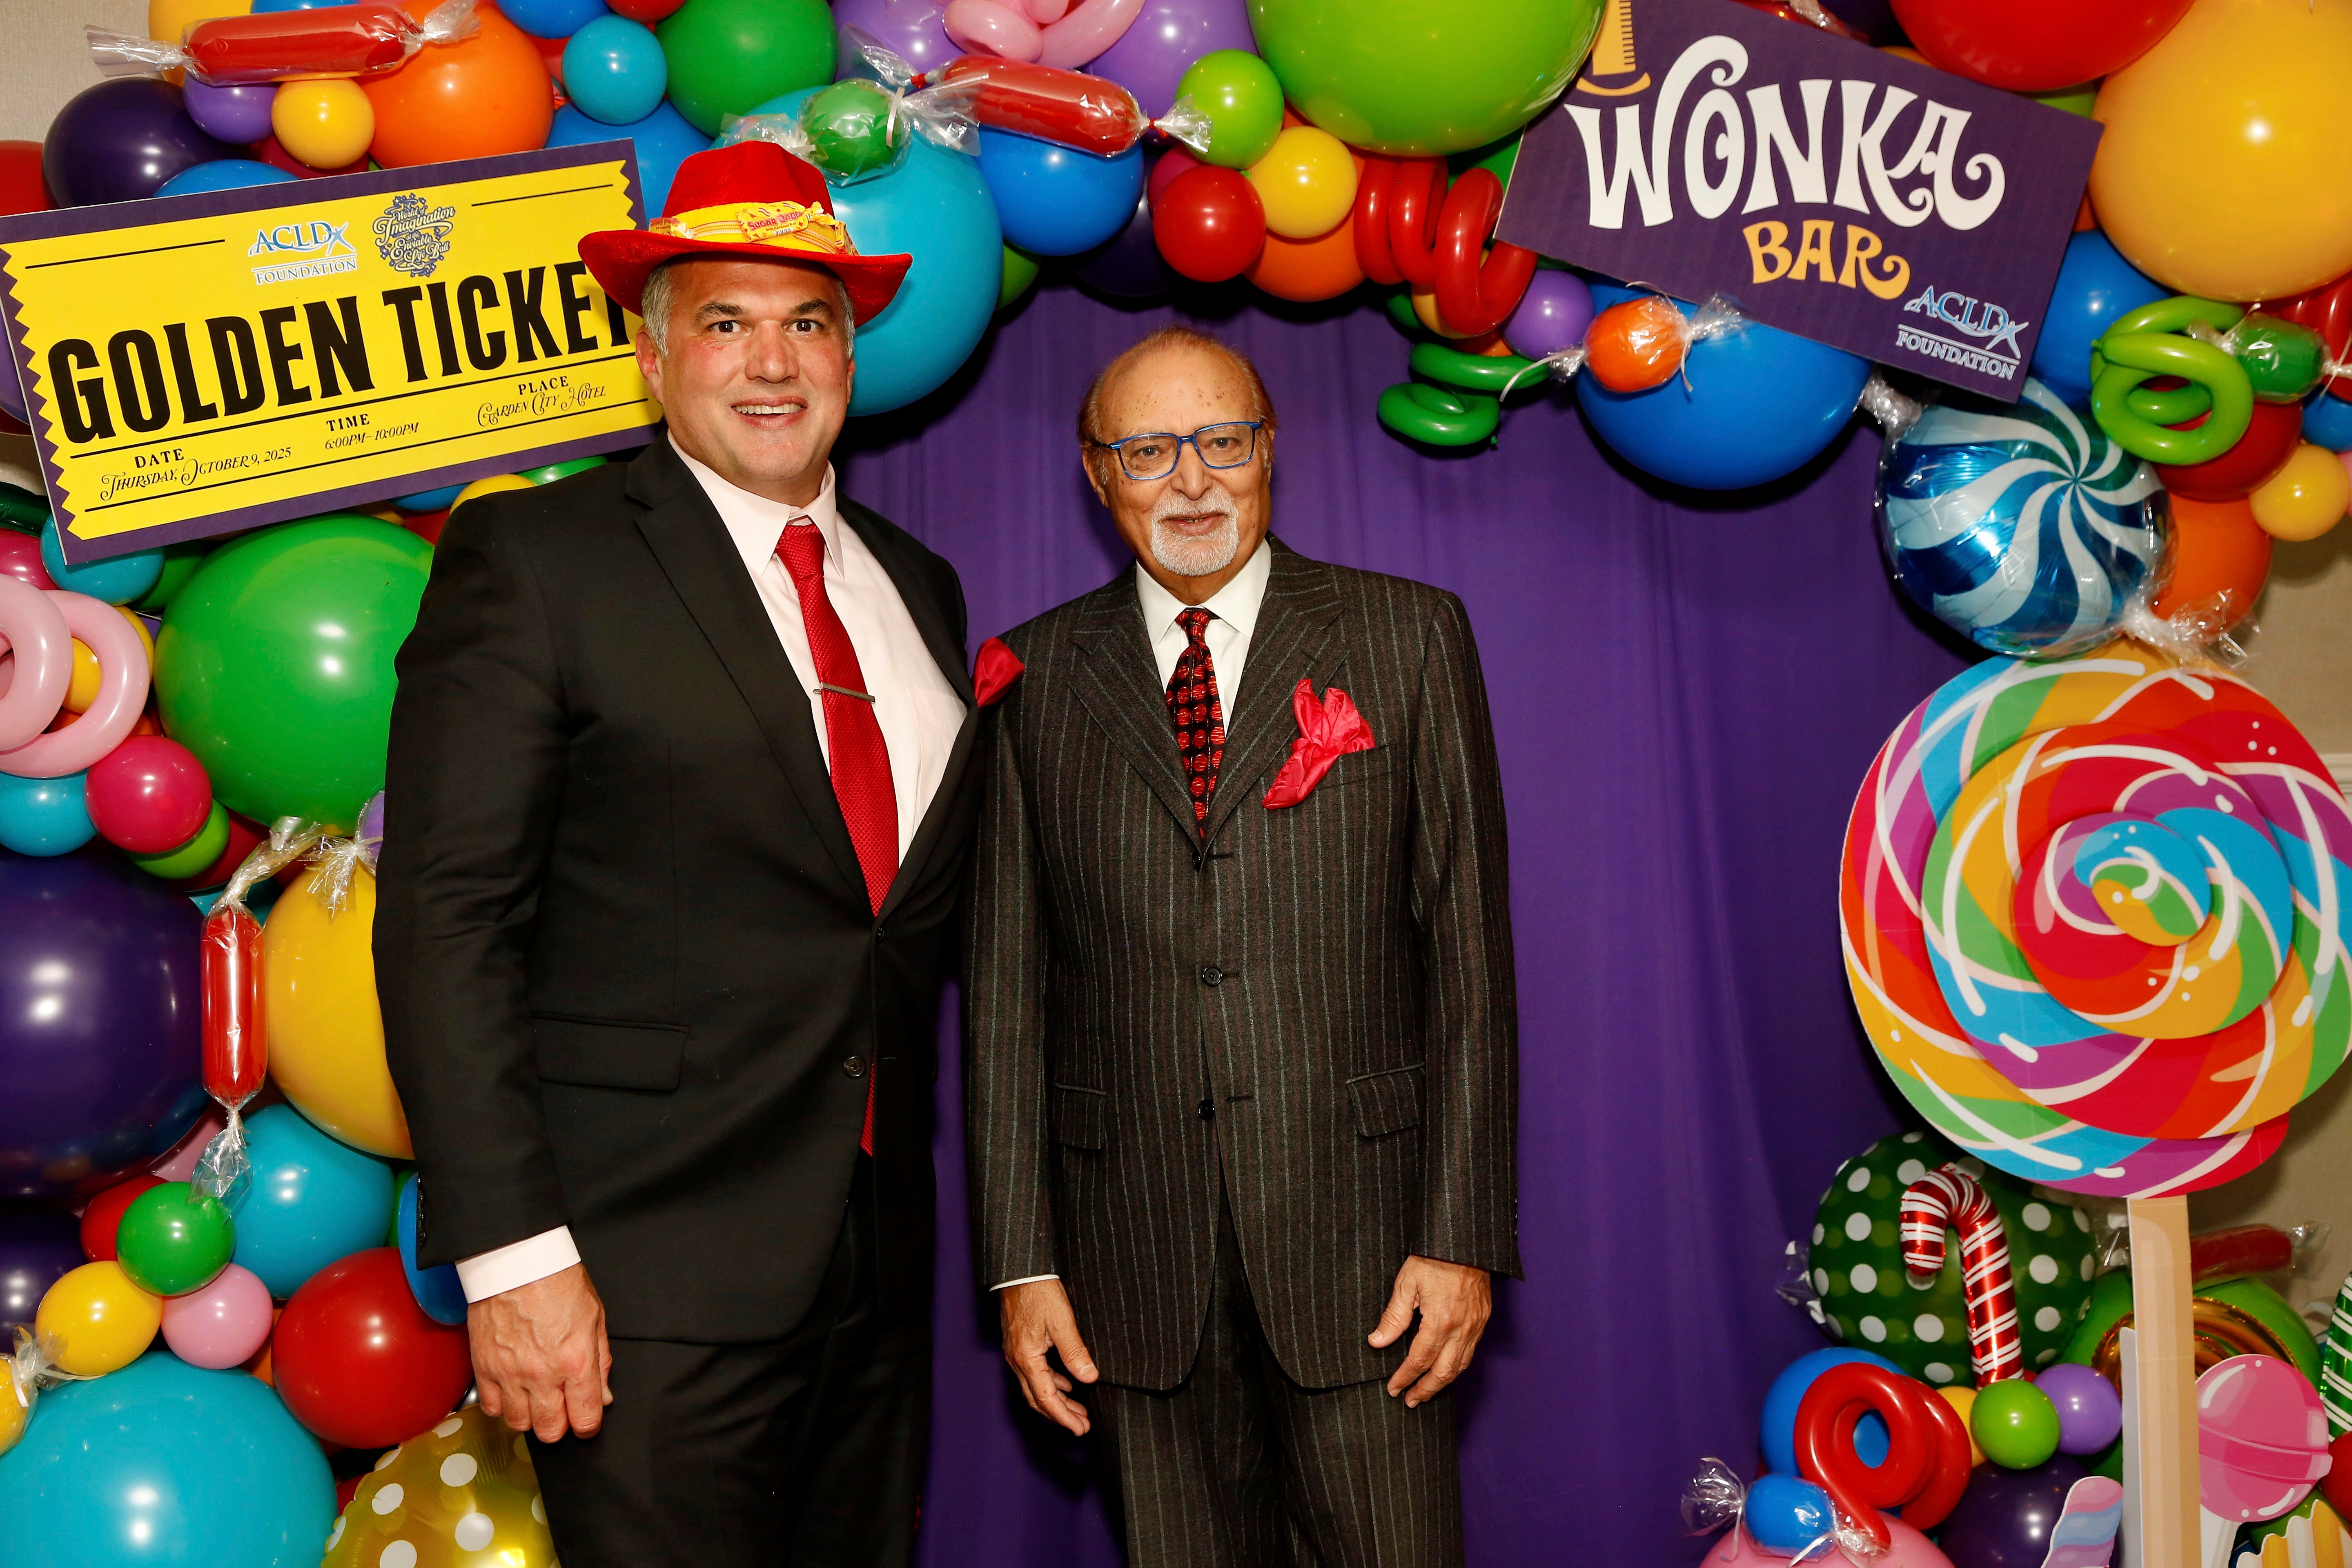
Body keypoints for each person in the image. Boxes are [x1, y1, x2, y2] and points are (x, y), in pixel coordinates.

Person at [375, 141, 979, 1568]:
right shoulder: (539, 559)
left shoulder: (920, 586)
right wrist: (517, 1262)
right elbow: (447, 921)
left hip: (877, 1277)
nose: (773, 361)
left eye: (808, 321)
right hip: (632, 1283)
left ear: (850, 356)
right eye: (725, 321)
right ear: (653, 361)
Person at [965, 327, 1520, 1566]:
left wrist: (1461, 1234)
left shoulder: (1409, 636)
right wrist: (1021, 1265)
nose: (1192, 481)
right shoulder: (1031, 676)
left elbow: (1470, 964)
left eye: (1222, 441)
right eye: (1149, 451)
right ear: (1096, 474)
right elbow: (1005, 991)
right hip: (1128, 1266)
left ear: (1270, 452)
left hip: (1371, 1256)